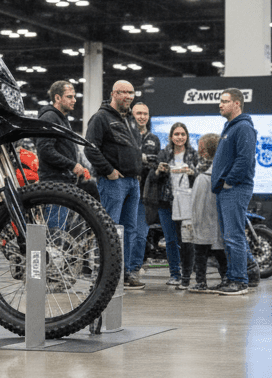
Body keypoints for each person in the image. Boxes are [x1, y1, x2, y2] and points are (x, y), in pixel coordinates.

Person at [84, 80, 145, 290]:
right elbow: (90, 149)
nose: (128, 96)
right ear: (113, 93)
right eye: (123, 92)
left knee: (129, 230)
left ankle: (124, 273)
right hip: (114, 182)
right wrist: (109, 171)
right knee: (109, 228)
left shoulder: (130, 120)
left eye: (131, 92)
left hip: (131, 182)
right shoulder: (101, 118)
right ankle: (103, 275)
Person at [210, 87, 256, 296]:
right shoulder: (230, 127)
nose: (220, 104)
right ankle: (231, 277)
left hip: (235, 189)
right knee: (229, 237)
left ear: (236, 104)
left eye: (225, 101)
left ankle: (239, 280)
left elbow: (244, 160)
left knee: (234, 236)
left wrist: (229, 181)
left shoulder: (243, 127)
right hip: (226, 190)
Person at [151, 122, 198, 289]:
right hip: (166, 202)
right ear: (171, 137)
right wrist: (158, 171)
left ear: (187, 137)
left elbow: (200, 177)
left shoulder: (193, 154)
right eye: (176, 134)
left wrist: (193, 173)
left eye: (183, 134)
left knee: (187, 240)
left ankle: (186, 275)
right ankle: (174, 275)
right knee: (170, 240)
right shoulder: (164, 154)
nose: (180, 137)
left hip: (187, 202)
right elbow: (153, 179)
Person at [188, 132, 226, 292]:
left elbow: (196, 203)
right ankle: (225, 279)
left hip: (204, 217)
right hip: (216, 219)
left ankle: (201, 282)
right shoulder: (221, 169)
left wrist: (193, 221)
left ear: (203, 150)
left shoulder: (203, 176)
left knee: (201, 250)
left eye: (199, 147)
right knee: (218, 250)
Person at [36, 80, 90, 186]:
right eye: (69, 97)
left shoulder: (62, 118)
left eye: (74, 97)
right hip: (54, 181)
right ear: (57, 98)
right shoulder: (50, 117)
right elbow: (45, 149)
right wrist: (72, 165)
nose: (74, 100)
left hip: (63, 180)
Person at [130, 100, 161, 275]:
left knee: (141, 236)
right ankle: (123, 269)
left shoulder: (153, 139)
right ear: (132, 115)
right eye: (138, 113)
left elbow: (154, 162)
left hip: (145, 194)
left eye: (145, 114)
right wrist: (142, 159)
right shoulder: (126, 135)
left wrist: (139, 159)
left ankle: (134, 269)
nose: (142, 117)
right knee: (127, 234)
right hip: (127, 192)